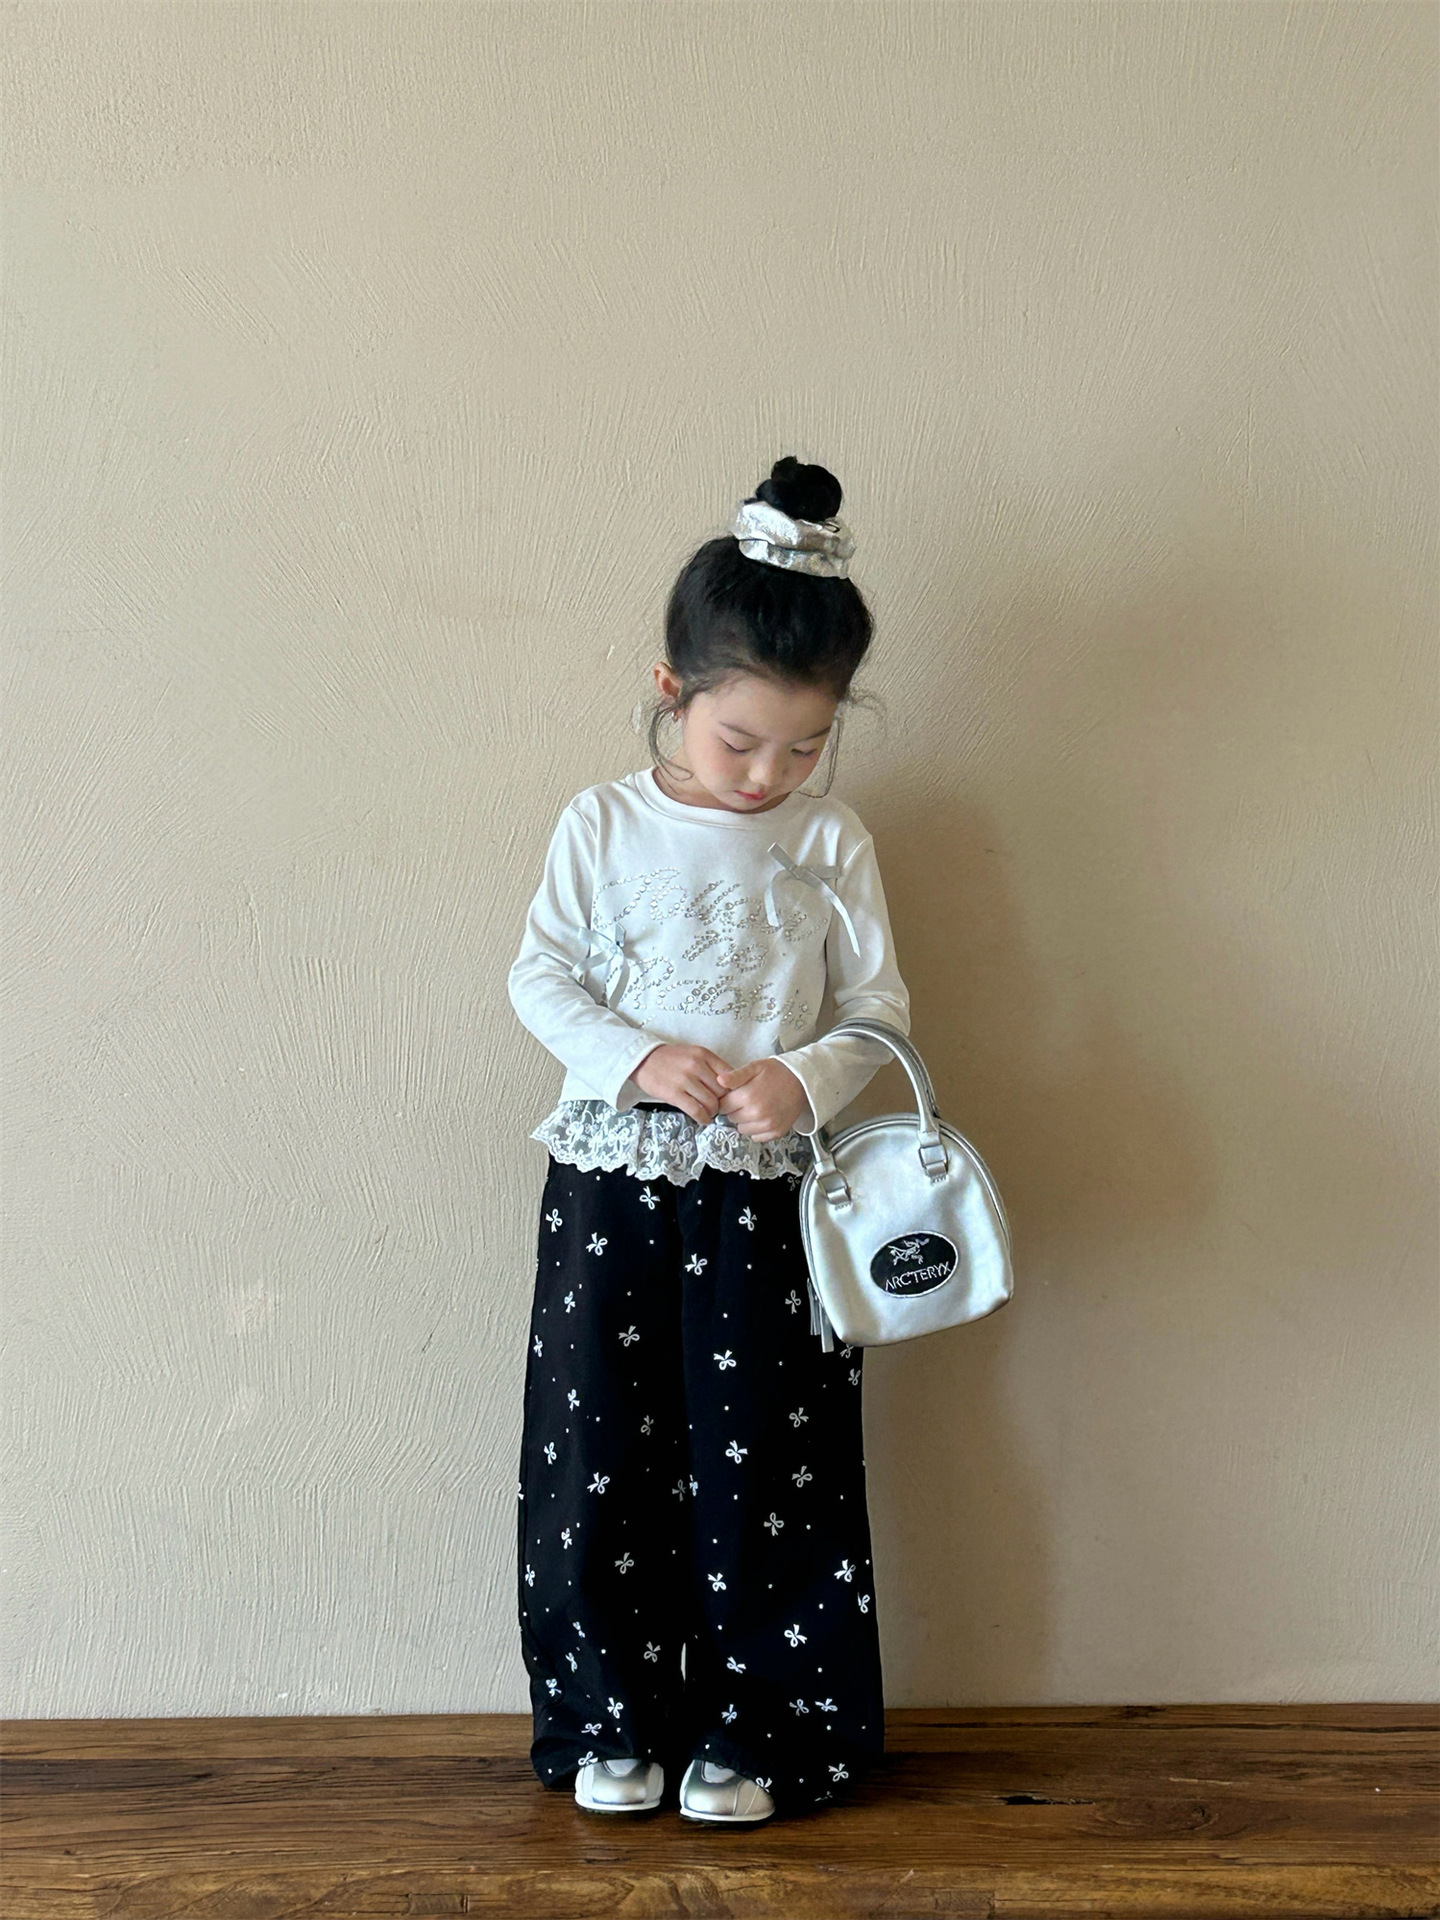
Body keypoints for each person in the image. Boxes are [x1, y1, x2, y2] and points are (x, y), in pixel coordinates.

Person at [507, 455, 911, 1825]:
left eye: (805, 746)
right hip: (611, 1182)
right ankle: (609, 1717)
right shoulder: (601, 823)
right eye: (741, 741)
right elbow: (539, 977)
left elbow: (878, 1013)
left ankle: (762, 1733)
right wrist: (633, 1058)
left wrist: (802, 1078)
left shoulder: (833, 841)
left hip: (767, 1198)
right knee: (597, 1454)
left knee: (769, 1464)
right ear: (673, 692)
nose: (768, 774)